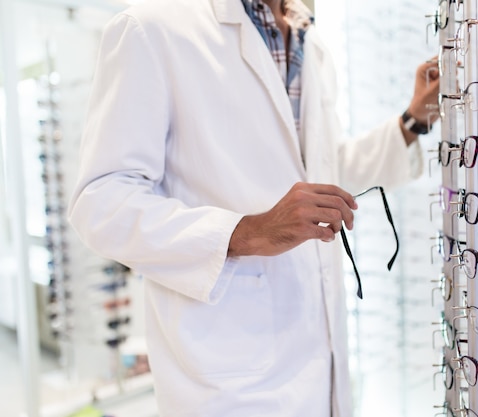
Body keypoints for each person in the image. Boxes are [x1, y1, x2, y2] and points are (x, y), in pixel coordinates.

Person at [67, 0, 440, 416]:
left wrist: (413, 121)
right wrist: (245, 232)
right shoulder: (150, 28)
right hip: (228, 379)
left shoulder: (309, 42)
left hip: (320, 354)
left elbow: (323, 171)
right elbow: (101, 201)